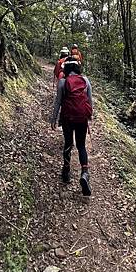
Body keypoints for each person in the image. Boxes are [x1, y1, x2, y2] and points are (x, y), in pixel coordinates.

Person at [50, 57, 93, 196]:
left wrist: (54, 119)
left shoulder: (62, 82)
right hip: (82, 119)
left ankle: (66, 172)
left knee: (68, 144)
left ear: (67, 69)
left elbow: (58, 102)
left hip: (67, 118)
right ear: (78, 68)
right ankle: (85, 173)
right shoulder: (85, 81)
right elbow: (90, 102)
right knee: (81, 146)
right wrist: (89, 116)